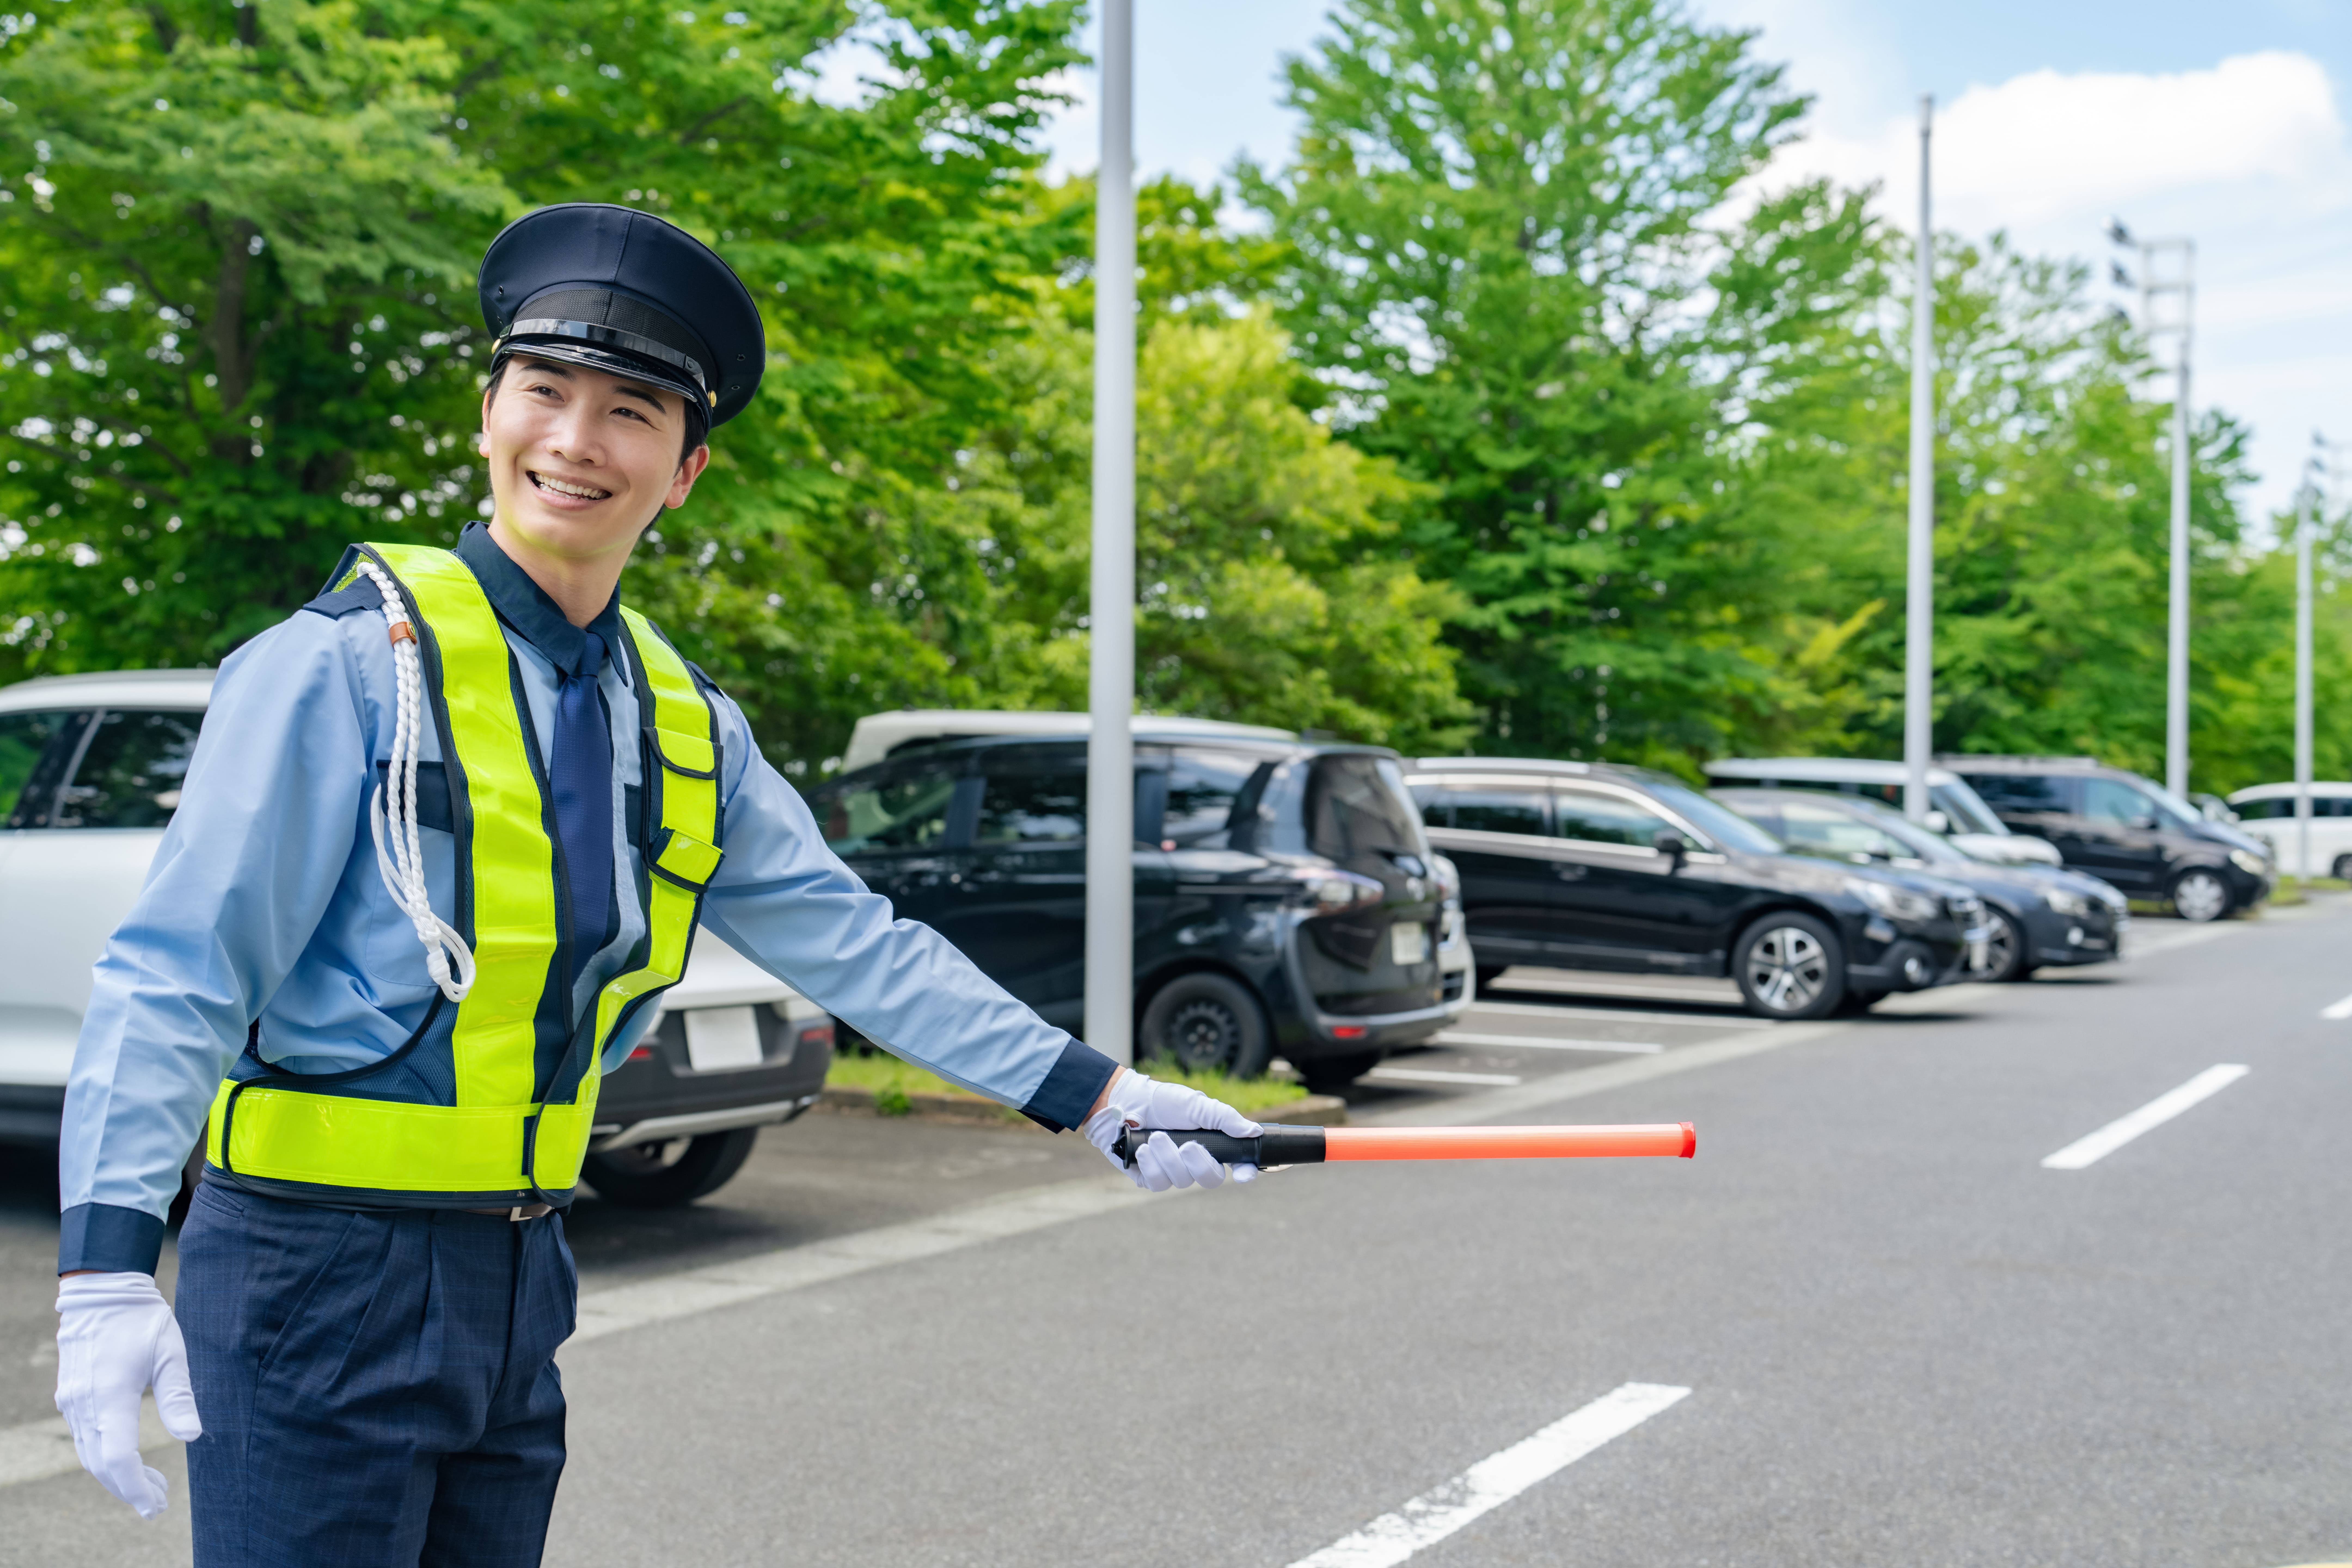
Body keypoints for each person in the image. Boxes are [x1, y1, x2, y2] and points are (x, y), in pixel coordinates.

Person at [51, 203, 1259, 1566]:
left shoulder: (687, 724)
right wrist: (103, 1268)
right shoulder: (342, 663)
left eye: (630, 411)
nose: (576, 440)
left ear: (683, 471)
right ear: (489, 412)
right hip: (309, 1275)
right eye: (545, 391)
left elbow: (860, 945)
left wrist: (1101, 1100)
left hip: (523, 1271)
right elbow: (181, 970)